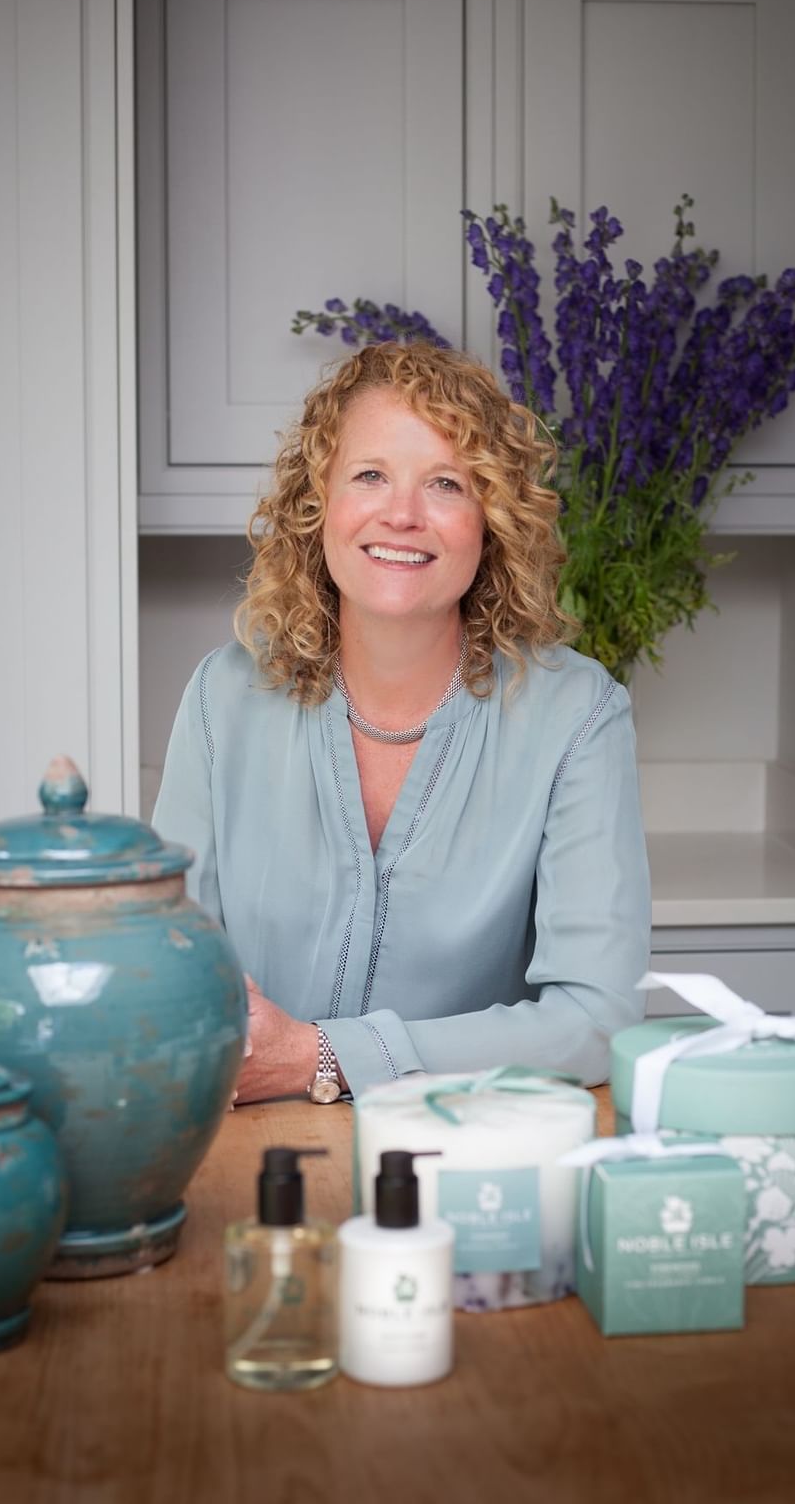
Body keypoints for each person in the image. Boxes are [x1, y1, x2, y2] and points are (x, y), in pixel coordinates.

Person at [153, 341, 650, 1101]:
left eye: (446, 483)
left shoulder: (576, 716)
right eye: (371, 475)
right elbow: (165, 970)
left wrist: (324, 1055)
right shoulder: (224, 699)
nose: (403, 514)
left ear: (491, 520)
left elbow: (597, 1020)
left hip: (472, 1162)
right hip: (253, 1146)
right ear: (320, 502)